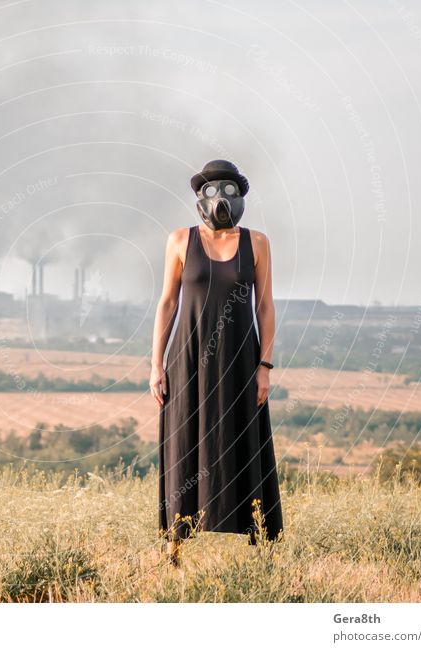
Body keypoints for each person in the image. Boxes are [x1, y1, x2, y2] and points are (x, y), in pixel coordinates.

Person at [150, 160, 284, 566]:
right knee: (182, 443)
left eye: (229, 189)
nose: (221, 198)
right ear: (200, 198)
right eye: (212, 189)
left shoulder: (256, 242)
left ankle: (258, 541)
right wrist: (155, 365)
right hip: (187, 358)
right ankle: (175, 545)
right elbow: (168, 303)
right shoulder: (178, 240)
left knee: (245, 440)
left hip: (240, 361)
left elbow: (265, 306)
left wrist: (265, 366)